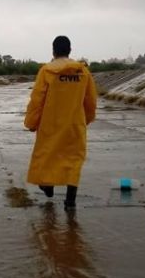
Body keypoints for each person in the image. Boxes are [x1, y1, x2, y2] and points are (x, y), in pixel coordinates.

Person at [24, 36, 97, 210]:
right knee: (74, 161)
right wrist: (85, 120)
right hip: (74, 125)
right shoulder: (83, 72)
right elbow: (91, 101)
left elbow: (37, 99)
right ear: (70, 50)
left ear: (53, 51)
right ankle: (70, 201)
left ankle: (47, 186)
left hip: (50, 124)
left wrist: (31, 122)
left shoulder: (46, 71)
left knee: (48, 156)